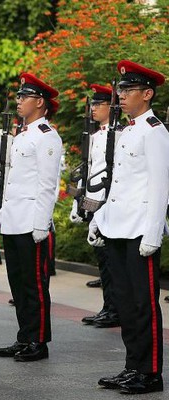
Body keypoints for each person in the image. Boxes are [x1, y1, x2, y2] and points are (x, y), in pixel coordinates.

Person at [89, 60, 168, 395]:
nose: (120, 95)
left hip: (139, 232)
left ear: (147, 94)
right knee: (124, 302)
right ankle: (131, 366)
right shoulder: (127, 130)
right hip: (117, 227)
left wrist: (152, 233)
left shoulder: (155, 132)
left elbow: (159, 187)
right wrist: (99, 218)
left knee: (143, 303)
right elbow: (119, 184)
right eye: (120, 89)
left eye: (128, 89)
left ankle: (150, 373)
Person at [0, 73, 62, 362]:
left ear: (40, 102)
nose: (18, 101)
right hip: (14, 219)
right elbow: (13, 182)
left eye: (24, 97)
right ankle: (25, 336)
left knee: (34, 284)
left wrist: (41, 223)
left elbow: (47, 185)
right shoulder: (23, 134)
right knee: (18, 283)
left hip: (31, 222)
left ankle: (39, 341)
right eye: (18, 96)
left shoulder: (46, 137)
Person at [70, 83, 120, 329]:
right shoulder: (95, 135)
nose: (93, 109)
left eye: (98, 105)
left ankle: (115, 309)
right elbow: (86, 169)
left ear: (111, 107)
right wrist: (77, 201)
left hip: (107, 204)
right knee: (103, 260)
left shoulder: (118, 134)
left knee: (111, 260)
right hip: (92, 202)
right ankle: (108, 306)